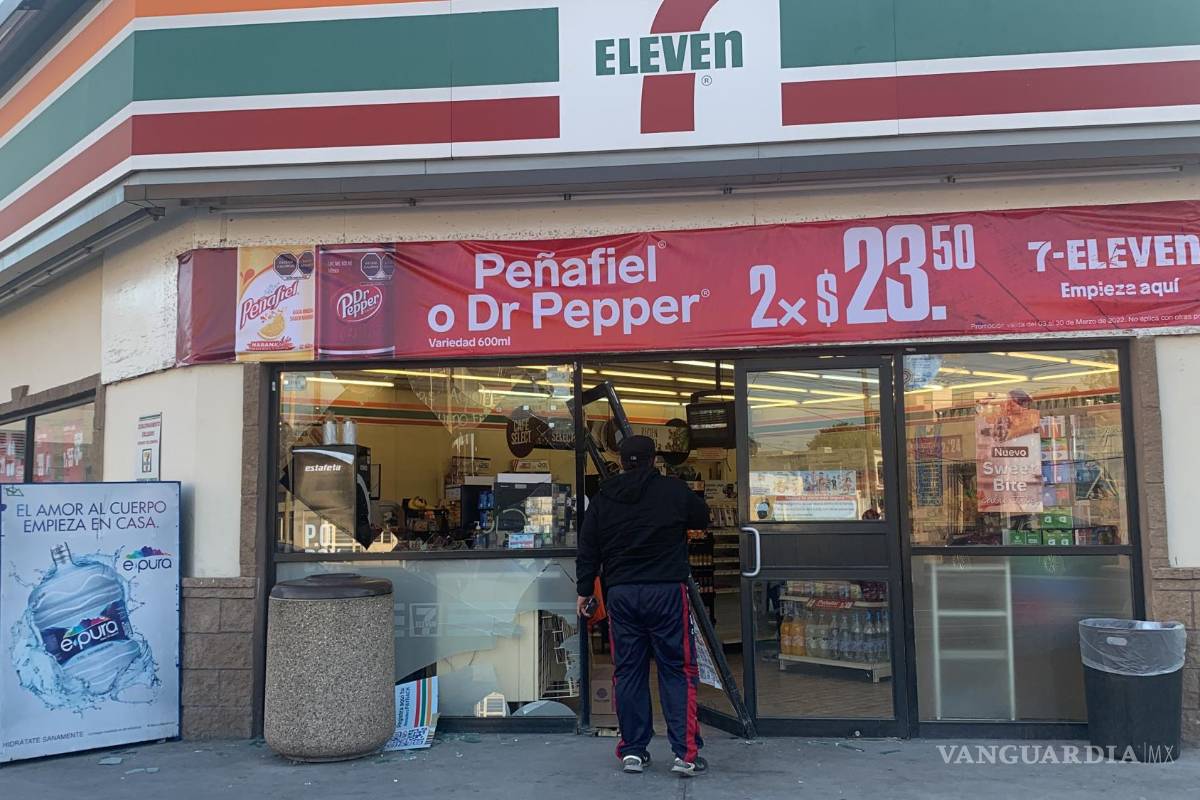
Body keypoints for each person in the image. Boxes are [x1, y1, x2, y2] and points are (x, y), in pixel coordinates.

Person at [576, 435, 710, 777]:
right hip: (666, 592)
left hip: (621, 594)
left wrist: (583, 591)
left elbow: (587, 546)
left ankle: (633, 751)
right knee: (677, 670)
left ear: (621, 461)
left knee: (629, 671)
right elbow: (703, 517)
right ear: (653, 460)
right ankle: (685, 754)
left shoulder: (604, 497)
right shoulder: (672, 490)